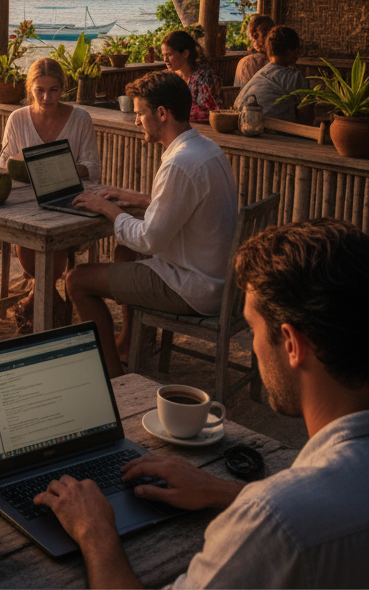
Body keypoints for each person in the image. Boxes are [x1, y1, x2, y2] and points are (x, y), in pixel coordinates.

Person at [32, 218, 369, 589]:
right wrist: (221, 490)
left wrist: (94, 532)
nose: (253, 346)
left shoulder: (273, 523)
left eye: (253, 330)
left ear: (292, 344)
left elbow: (290, 520)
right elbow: (328, 507)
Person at [66, 70, 237, 377]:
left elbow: (149, 241)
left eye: (140, 114)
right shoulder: (207, 149)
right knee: (123, 254)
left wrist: (106, 207)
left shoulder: (179, 164)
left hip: (194, 287)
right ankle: (128, 346)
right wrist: (139, 198)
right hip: (219, 278)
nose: (136, 122)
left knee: (76, 279)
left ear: (161, 113)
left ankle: (114, 375)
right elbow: (187, 206)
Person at [0, 57, 100, 332]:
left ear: (63, 88)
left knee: (49, 237)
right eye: (39, 90)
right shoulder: (17, 119)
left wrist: (50, 168)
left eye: (53, 90)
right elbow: (2, 164)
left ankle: (33, 300)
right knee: (28, 234)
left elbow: (92, 168)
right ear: (29, 88)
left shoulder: (80, 119)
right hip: (25, 203)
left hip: (68, 199)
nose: (46, 97)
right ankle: (51, 300)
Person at [237, 26, 307, 122]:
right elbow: (306, 118)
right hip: (276, 133)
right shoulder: (296, 77)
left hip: (244, 124)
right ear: (294, 53)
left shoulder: (260, 74)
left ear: (268, 52)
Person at [162, 30, 221, 123]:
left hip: (203, 130)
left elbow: (208, 112)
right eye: (164, 55)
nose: (165, 60)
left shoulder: (204, 78)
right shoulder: (169, 77)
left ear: (185, 54)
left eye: (170, 55)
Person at [234, 13, 275, 86]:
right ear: (254, 35)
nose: (270, 35)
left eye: (271, 31)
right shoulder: (250, 62)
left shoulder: (274, 59)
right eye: (266, 31)